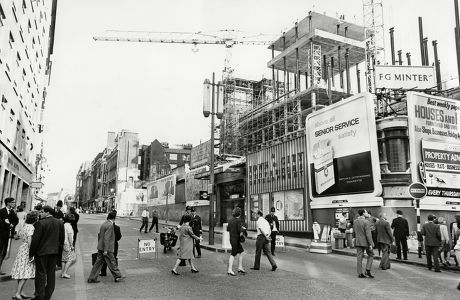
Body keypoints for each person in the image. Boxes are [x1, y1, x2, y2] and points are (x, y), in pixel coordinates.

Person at [29, 205, 65, 300]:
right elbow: (62, 240)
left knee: (40, 274)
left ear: (47, 212)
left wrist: (31, 254)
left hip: (41, 253)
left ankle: (40, 296)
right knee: (51, 274)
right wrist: (59, 253)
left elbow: (35, 241)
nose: (40, 214)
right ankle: (47, 295)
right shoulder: (60, 222)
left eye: (42, 212)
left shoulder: (40, 223)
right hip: (54, 252)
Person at [87, 211, 125, 283]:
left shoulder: (104, 224)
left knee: (97, 264)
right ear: (114, 218)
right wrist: (106, 250)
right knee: (112, 261)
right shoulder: (110, 225)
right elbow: (107, 238)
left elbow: (100, 236)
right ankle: (118, 276)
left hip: (101, 247)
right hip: (107, 248)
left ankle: (92, 277)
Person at [10, 211, 38, 300]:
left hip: (22, 248)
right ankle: (18, 293)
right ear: (35, 219)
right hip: (26, 250)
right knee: (25, 273)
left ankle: (20, 292)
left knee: (21, 272)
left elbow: (18, 235)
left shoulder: (25, 226)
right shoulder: (31, 227)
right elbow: (30, 241)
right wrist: (32, 254)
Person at [0, 197, 19, 275]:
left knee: (4, 252)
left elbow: (16, 220)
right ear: (8, 203)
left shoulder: (13, 212)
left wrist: (12, 224)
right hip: (0, 234)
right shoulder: (1, 211)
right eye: (13, 202)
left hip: (7, 235)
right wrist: (8, 224)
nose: (14, 204)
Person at [353, 209, 374, 278]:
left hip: (358, 241)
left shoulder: (355, 221)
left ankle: (360, 273)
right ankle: (368, 270)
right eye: (366, 212)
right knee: (371, 255)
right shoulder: (366, 222)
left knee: (359, 257)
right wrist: (371, 244)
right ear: (363, 213)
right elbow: (368, 234)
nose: (367, 213)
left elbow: (354, 231)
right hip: (366, 242)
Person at [100, 210, 122, 277]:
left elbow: (101, 235)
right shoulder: (116, 227)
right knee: (113, 259)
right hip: (113, 245)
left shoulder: (104, 225)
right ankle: (116, 274)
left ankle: (103, 272)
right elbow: (119, 237)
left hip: (104, 245)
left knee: (103, 259)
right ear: (114, 218)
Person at [227, 207, 247, 276]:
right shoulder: (238, 220)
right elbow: (239, 231)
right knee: (233, 254)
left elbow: (228, 229)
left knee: (241, 252)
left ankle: (240, 267)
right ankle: (229, 270)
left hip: (232, 239)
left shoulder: (230, 220)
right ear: (239, 213)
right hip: (236, 240)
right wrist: (243, 229)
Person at [61, 214, 77, 279]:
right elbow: (70, 237)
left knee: (64, 259)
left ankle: (62, 273)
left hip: (63, 243)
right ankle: (64, 273)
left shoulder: (64, 225)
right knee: (70, 259)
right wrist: (72, 245)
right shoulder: (69, 227)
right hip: (68, 243)